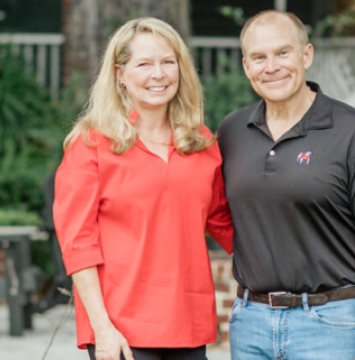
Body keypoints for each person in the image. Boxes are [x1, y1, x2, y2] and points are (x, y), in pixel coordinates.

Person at [217, 10, 355, 360]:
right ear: (246, 66)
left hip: (331, 323)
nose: (271, 67)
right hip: (251, 323)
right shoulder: (231, 132)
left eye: (283, 53)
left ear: (306, 55)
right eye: (259, 57)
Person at [53, 17, 233, 360]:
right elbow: (77, 243)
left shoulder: (200, 142)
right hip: (121, 330)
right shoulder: (91, 143)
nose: (159, 74)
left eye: (168, 62)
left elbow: (226, 224)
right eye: (144, 64)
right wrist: (102, 328)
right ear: (120, 74)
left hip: (188, 325)